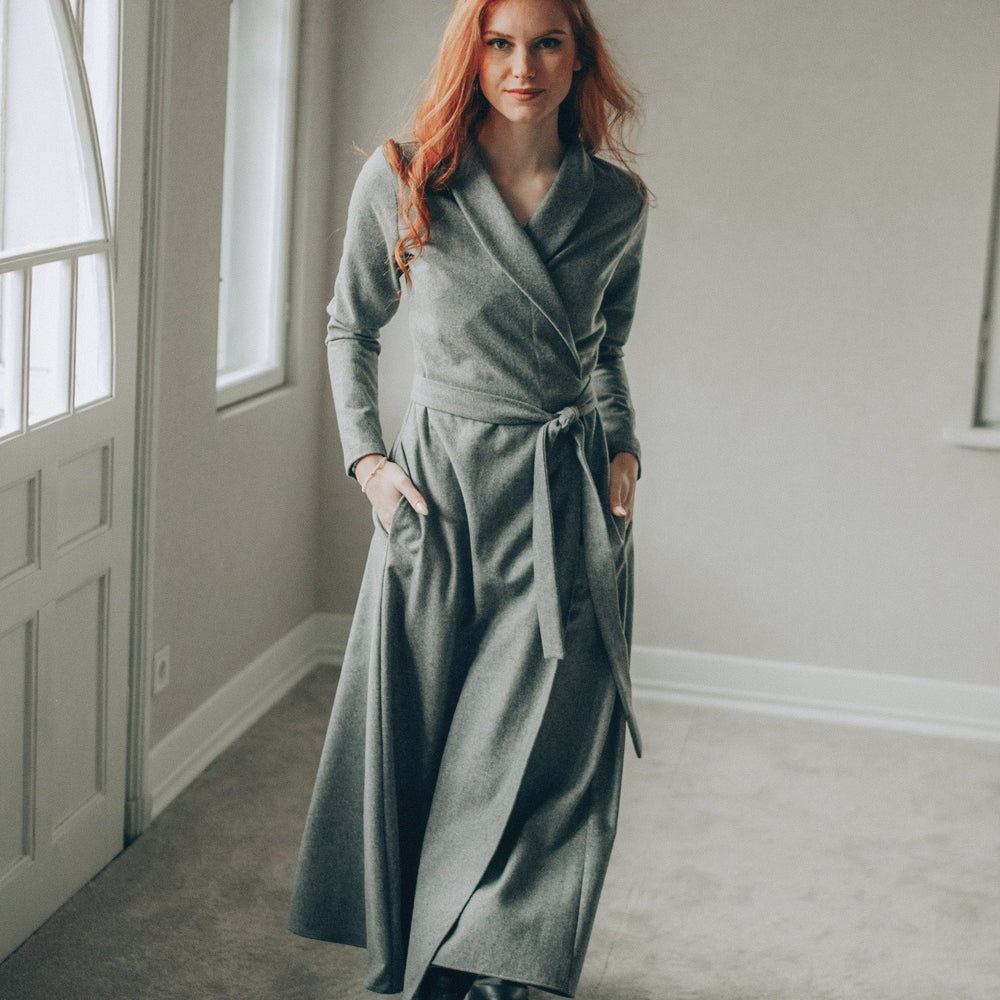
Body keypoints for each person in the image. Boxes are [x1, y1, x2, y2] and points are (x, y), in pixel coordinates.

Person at [289, 1, 649, 997]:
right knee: (429, 741)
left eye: (545, 43)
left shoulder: (616, 202)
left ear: (579, 60)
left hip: (566, 501)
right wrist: (368, 463)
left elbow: (605, 352)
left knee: (552, 765)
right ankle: (423, 960)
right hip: (440, 499)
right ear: (470, 54)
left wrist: (620, 450)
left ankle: (501, 970)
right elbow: (347, 329)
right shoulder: (408, 177)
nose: (521, 64)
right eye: (498, 42)